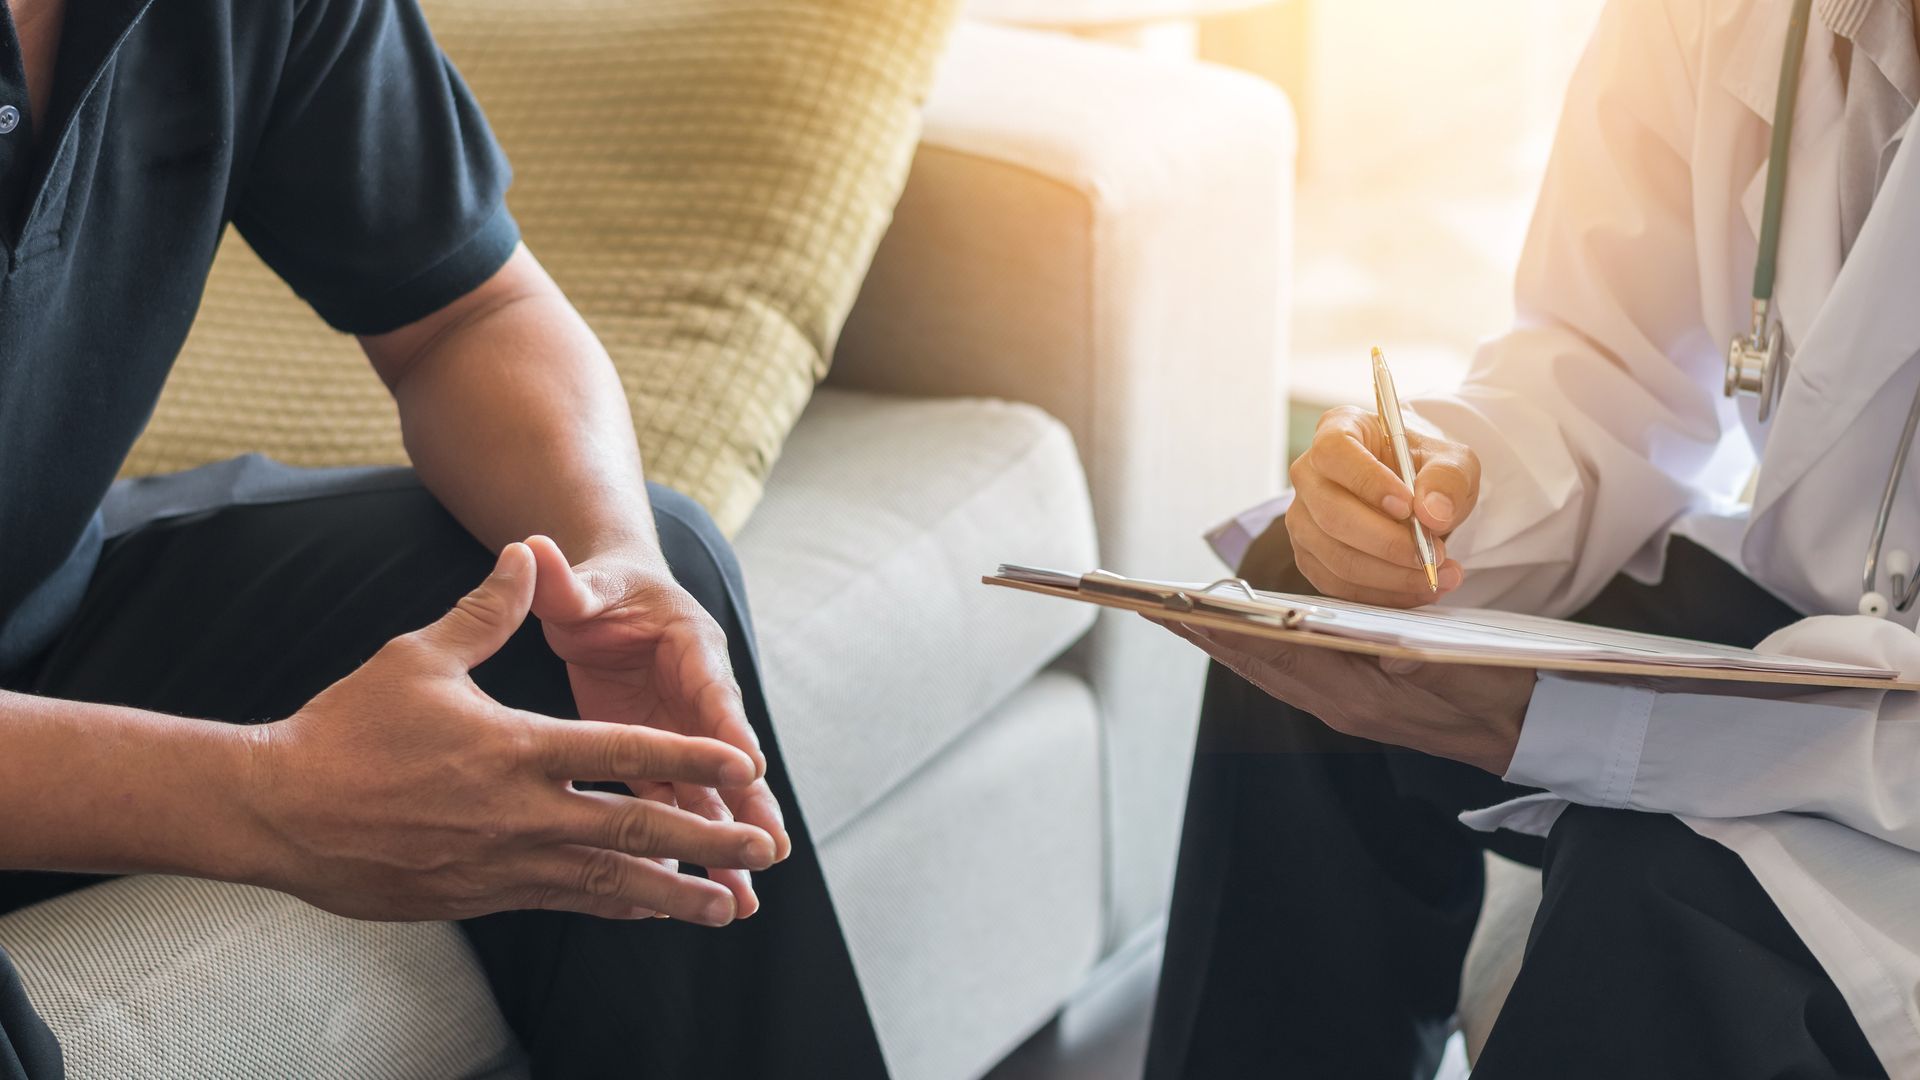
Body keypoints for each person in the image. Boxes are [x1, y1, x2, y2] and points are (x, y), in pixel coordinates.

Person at [0, 0, 887, 1076]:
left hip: (39, 604)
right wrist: (264, 797)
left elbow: (465, 314)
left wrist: (612, 557)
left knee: (594, 605)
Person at [1143, 0, 1920, 1076]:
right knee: (1310, 617)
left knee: (1650, 884)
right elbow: (1604, 360)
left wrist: (1585, 725)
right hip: (1822, 601)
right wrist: (1440, 492)